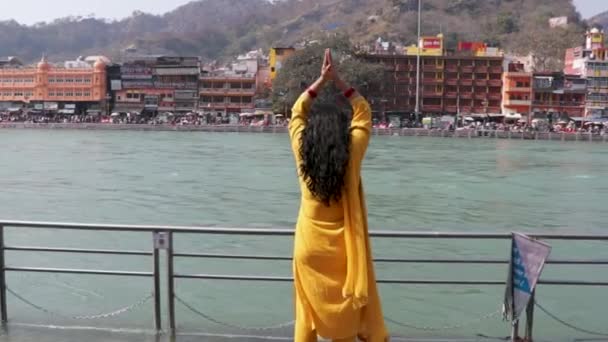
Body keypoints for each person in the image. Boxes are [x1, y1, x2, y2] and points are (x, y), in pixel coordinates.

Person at [288, 49, 389, 342]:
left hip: (308, 248)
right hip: (344, 251)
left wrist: (320, 81)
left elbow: (297, 113)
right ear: (342, 132)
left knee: (307, 312)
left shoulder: (302, 153)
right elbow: (363, 112)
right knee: (344, 319)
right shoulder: (351, 155)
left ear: (311, 133)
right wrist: (339, 80)